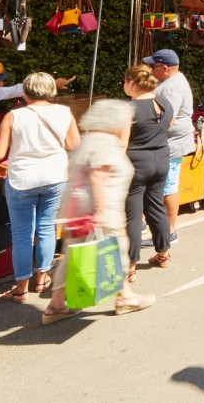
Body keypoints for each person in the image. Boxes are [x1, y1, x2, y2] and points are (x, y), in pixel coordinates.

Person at [42, 100, 154, 324]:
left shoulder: (89, 140)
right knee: (115, 251)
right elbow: (98, 177)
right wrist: (101, 211)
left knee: (74, 256)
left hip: (79, 210)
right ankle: (126, 298)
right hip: (101, 208)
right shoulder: (105, 142)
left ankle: (56, 305)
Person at [0, 72, 79, 302]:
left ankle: (21, 288)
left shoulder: (13, 116)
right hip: (55, 176)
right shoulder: (64, 112)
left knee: (22, 234)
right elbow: (74, 144)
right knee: (47, 227)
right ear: (52, 91)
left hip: (22, 179)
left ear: (25, 92)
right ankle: (42, 279)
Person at [121, 64, 172, 273]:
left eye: (124, 81)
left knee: (133, 214)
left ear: (132, 83)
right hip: (161, 158)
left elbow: (122, 143)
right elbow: (170, 123)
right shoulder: (164, 102)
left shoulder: (129, 109)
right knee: (155, 206)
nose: (123, 85)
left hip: (136, 162)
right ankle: (163, 254)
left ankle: (130, 264)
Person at [145, 49, 193, 243]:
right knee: (166, 185)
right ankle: (164, 230)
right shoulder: (172, 81)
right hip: (172, 141)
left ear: (165, 68)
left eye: (153, 66)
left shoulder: (170, 88)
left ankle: (169, 232)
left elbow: (168, 120)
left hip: (171, 142)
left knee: (168, 186)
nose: (150, 70)